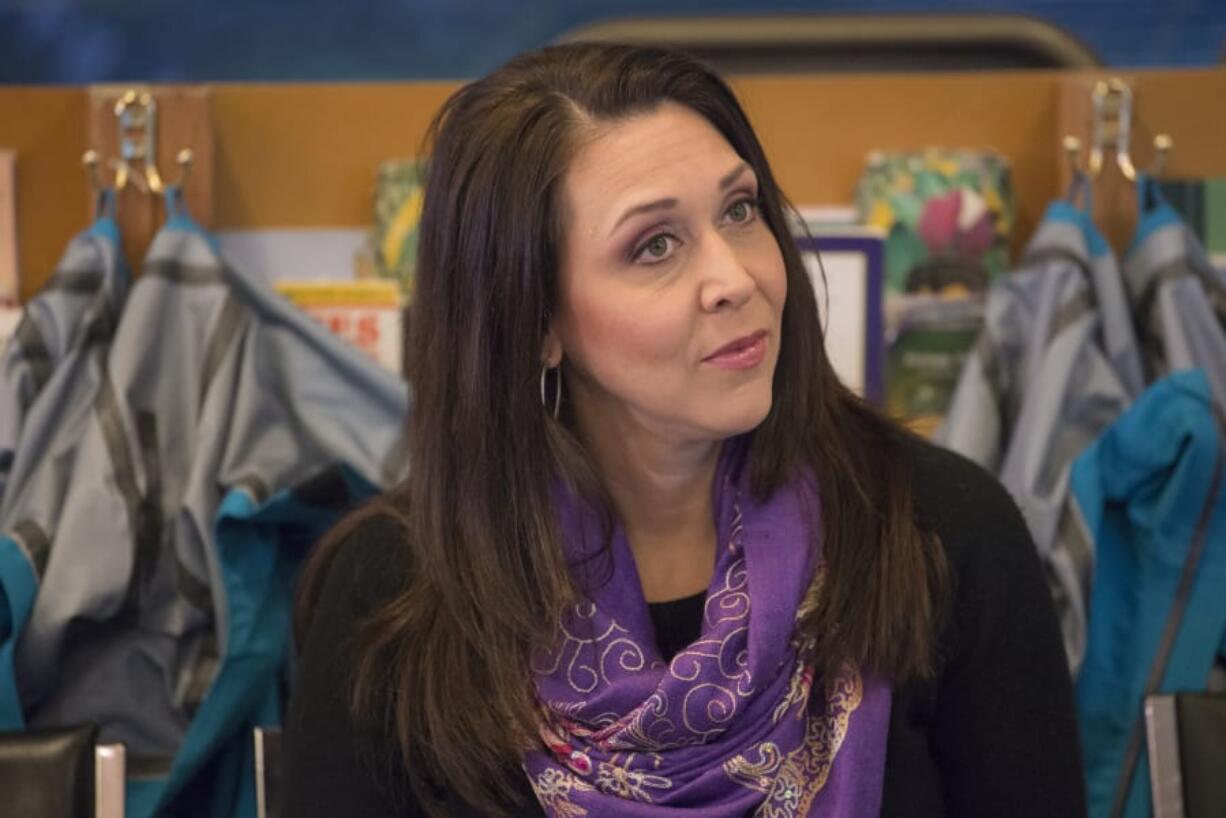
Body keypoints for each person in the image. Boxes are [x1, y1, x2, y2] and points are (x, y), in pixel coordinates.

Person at [283, 43, 1085, 818]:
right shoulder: (391, 596)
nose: (736, 278)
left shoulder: (939, 532)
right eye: (654, 246)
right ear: (533, 320)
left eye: (739, 211)